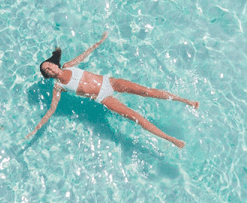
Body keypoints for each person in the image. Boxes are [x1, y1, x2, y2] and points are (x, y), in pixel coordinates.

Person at [27, 31, 198, 148]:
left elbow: (84, 55)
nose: (50, 69)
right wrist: (37, 128)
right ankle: (171, 139)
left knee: (147, 91)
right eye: (47, 70)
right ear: (48, 76)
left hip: (110, 83)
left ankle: (185, 100)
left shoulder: (68, 66)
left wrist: (99, 42)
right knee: (136, 118)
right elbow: (51, 110)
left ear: (54, 63)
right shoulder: (59, 87)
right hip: (103, 98)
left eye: (50, 65)